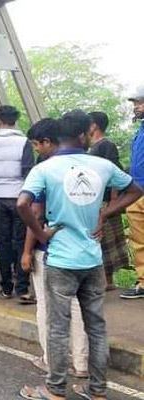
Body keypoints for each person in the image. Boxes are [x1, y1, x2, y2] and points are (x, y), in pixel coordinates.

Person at [17, 110, 143, 400]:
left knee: (58, 328)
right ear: (83, 134)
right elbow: (135, 190)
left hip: (60, 260)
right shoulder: (102, 165)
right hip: (93, 260)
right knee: (96, 327)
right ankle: (97, 391)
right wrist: (105, 212)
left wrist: (42, 233)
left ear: (58, 136)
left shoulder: (45, 169)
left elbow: (23, 204)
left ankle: (55, 389)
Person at [20, 118, 88, 378]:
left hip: (52, 250)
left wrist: (27, 251)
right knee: (78, 307)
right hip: (84, 250)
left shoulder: (45, 170)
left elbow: (34, 212)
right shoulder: (89, 165)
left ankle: (51, 361)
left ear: (48, 142)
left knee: (48, 308)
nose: (37, 150)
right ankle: (82, 364)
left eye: (37, 145)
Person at [0, 105, 35, 301]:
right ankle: (23, 289)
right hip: (20, 198)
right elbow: (29, 173)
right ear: (14, 121)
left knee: (2, 243)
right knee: (21, 242)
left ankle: (6, 287)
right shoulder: (24, 142)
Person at [88, 111, 128, 291]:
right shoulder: (91, 147)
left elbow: (114, 173)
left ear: (94, 125)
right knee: (98, 239)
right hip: (93, 200)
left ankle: (108, 280)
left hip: (105, 201)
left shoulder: (106, 145)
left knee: (106, 239)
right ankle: (102, 279)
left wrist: (113, 201)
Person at [121, 88, 144, 299]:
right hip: (137, 191)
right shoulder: (140, 132)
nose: (136, 107)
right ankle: (143, 282)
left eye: (140, 102)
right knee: (139, 239)